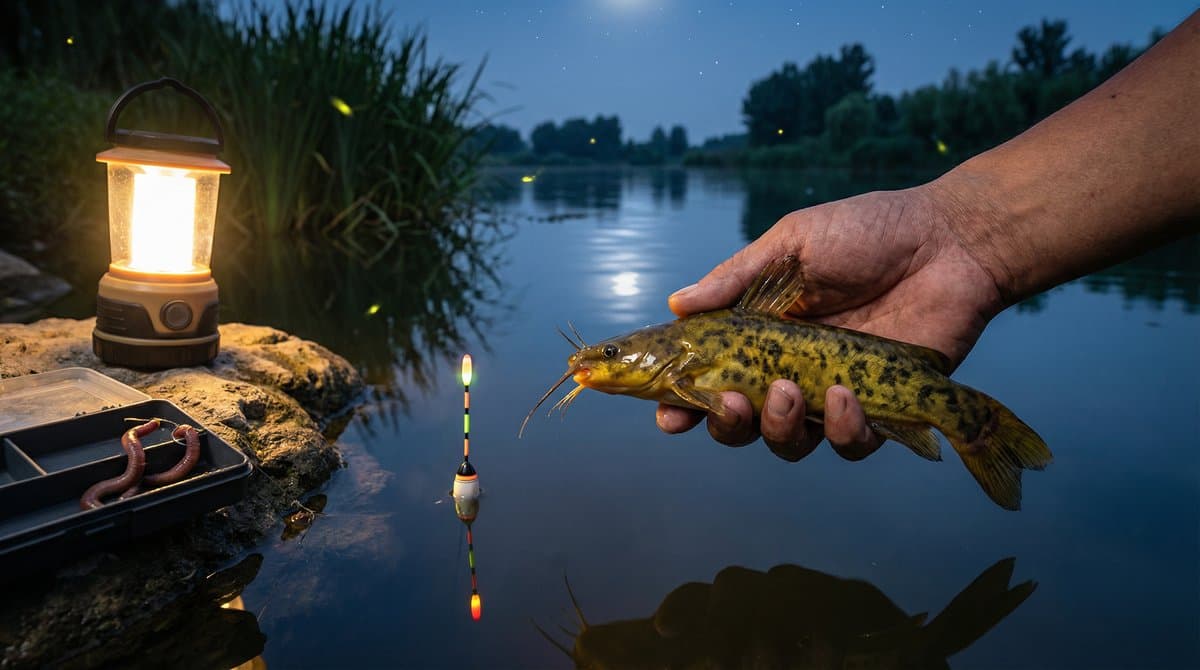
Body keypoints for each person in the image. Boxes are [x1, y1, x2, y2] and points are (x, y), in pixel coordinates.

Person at [657, 10, 1200, 462]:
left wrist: (959, 235)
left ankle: (960, 423)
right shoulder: (689, 363)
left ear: (659, 355)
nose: (598, 360)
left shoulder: (689, 349)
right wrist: (963, 234)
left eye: (612, 353)